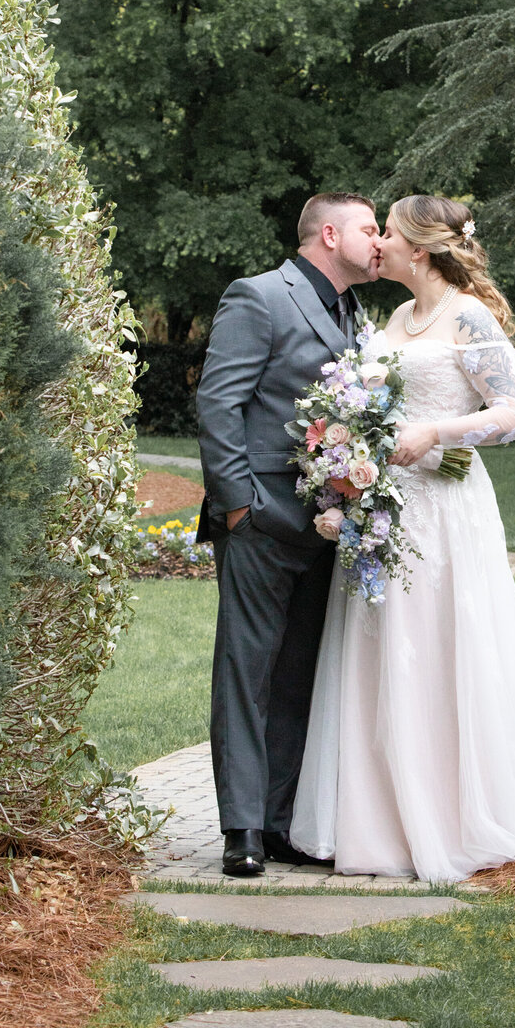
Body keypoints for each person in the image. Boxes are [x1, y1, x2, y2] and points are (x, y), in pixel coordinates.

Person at [291, 194, 515, 881]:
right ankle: (380, 820)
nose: (378, 244)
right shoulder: (397, 317)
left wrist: (438, 433)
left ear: (419, 249)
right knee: (381, 645)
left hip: (445, 506)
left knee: (437, 644)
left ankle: (452, 816)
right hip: (386, 503)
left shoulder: (468, 315)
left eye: (388, 233)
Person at [196, 192, 381, 877]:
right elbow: (219, 401)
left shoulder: (355, 313)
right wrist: (238, 507)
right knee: (246, 673)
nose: (380, 240)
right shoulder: (260, 296)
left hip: (326, 524)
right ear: (329, 234)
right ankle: (241, 828)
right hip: (259, 520)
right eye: (369, 228)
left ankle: (279, 822)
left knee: (299, 674)